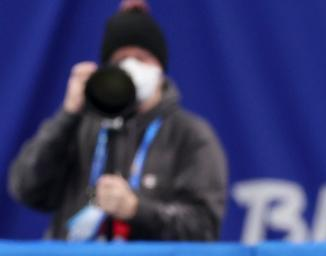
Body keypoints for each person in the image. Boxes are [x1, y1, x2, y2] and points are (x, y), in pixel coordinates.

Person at [7, 1, 227, 241]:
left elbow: (204, 228)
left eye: (141, 58)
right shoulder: (83, 126)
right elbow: (26, 188)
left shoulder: (189, 134)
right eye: (122, 59)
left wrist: (137, 209)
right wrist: (68, 114)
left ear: (160, 67)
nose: (131, 66)